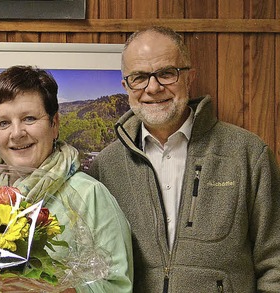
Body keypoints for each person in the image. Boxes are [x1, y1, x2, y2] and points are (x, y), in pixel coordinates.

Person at [86, 26, 280, 292]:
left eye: (166, 73)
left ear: (189, 77)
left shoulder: (247, 153)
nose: (153, 88)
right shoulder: (106, 167)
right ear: (126, 86)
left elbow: (275, 261)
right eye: (140, 77)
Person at [0, 66, 133, 292]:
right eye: (3, 123)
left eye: (29, 118)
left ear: (54, 124)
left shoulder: (90, 195)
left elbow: (118, 286)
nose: (17, 133)